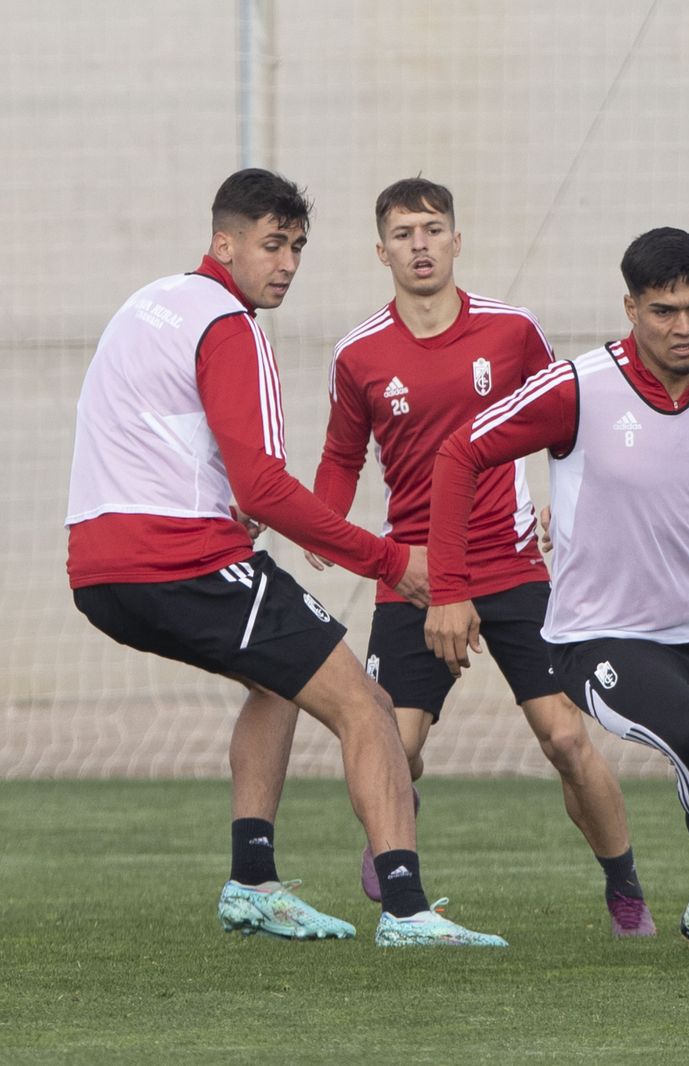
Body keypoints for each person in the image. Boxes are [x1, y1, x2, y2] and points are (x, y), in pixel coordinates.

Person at [65, 168, 505, 948]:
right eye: (272, 245)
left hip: (97, 571)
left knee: (277, 684)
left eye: (297, 247)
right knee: (364, 704)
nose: (287, 264)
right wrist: (389, 561)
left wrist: (231, 508)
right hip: (182, 562)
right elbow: (263, 486)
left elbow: (149, 436)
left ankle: (253, 883)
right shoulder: (231, 325)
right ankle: (407, 911)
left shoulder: (149, 303)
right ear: (223, 242)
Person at [423, 227, 689, 952]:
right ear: (630, 307)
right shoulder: (576, 387)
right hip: (598, 632)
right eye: (664, 310)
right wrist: (449, 587)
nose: (684, 326)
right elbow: (459, 453)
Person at [290, 176, 651, 936]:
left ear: (457, 240)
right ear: (380, 250)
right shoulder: (357, 354)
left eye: (431, 229)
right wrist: (318, 521)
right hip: (416, 575)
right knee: (395, 745)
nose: (419, 245)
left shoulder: (513, 332)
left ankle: (625, 886)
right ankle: (396, 833)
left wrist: (567, 504)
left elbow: (568, 423)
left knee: (564, 737)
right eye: (403, 233)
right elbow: (340, 457)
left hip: (513, 563)